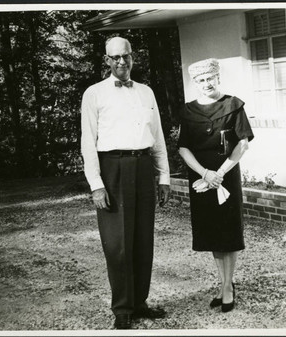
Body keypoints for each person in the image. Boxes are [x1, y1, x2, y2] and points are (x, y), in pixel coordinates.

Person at [80, 36, 170, 329]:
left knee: (143, 240)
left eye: (126, 56)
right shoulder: (94, 94)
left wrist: (164, 177)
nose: (121, 62)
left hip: (143, 166)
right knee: (118, 244)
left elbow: (157, 139)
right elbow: (87, 142)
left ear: (133, 57)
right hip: (112, 169)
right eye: (115, 57)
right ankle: (122, 309)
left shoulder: (146, 93)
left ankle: (139, 303)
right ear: (106, 60)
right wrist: (96, 183)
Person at [177, 58, 254, 313]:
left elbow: (242, 144)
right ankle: (223, 284)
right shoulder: (189, 111)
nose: (206, 83)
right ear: (195, 83)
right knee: (212, 233)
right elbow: (184, 147)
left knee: (228, 233)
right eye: (200, 80)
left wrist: (218, 173)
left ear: (217, 77)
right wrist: (204, 173)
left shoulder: (233, 105)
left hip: (226, 176)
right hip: (201, 179)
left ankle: (228, 287)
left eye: (210, 78)